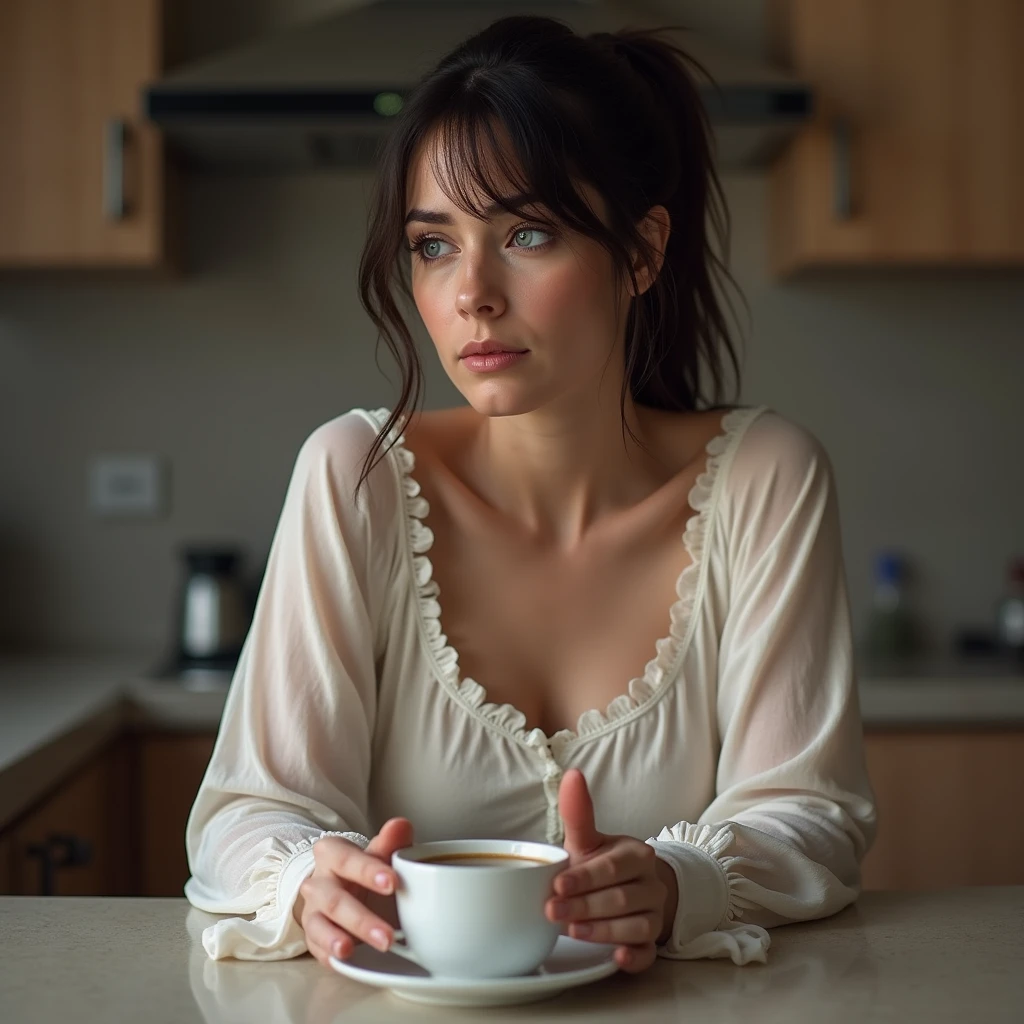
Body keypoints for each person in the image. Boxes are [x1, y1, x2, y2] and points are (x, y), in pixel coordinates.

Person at [184, 14, 876, 974]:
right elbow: (249, 810)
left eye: (527, 233)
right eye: (433, 245)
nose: (471, 291)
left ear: (641, 252)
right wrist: (306, 874)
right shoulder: (356, 475)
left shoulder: (767, 479)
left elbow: (811, 813)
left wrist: (679, 880)